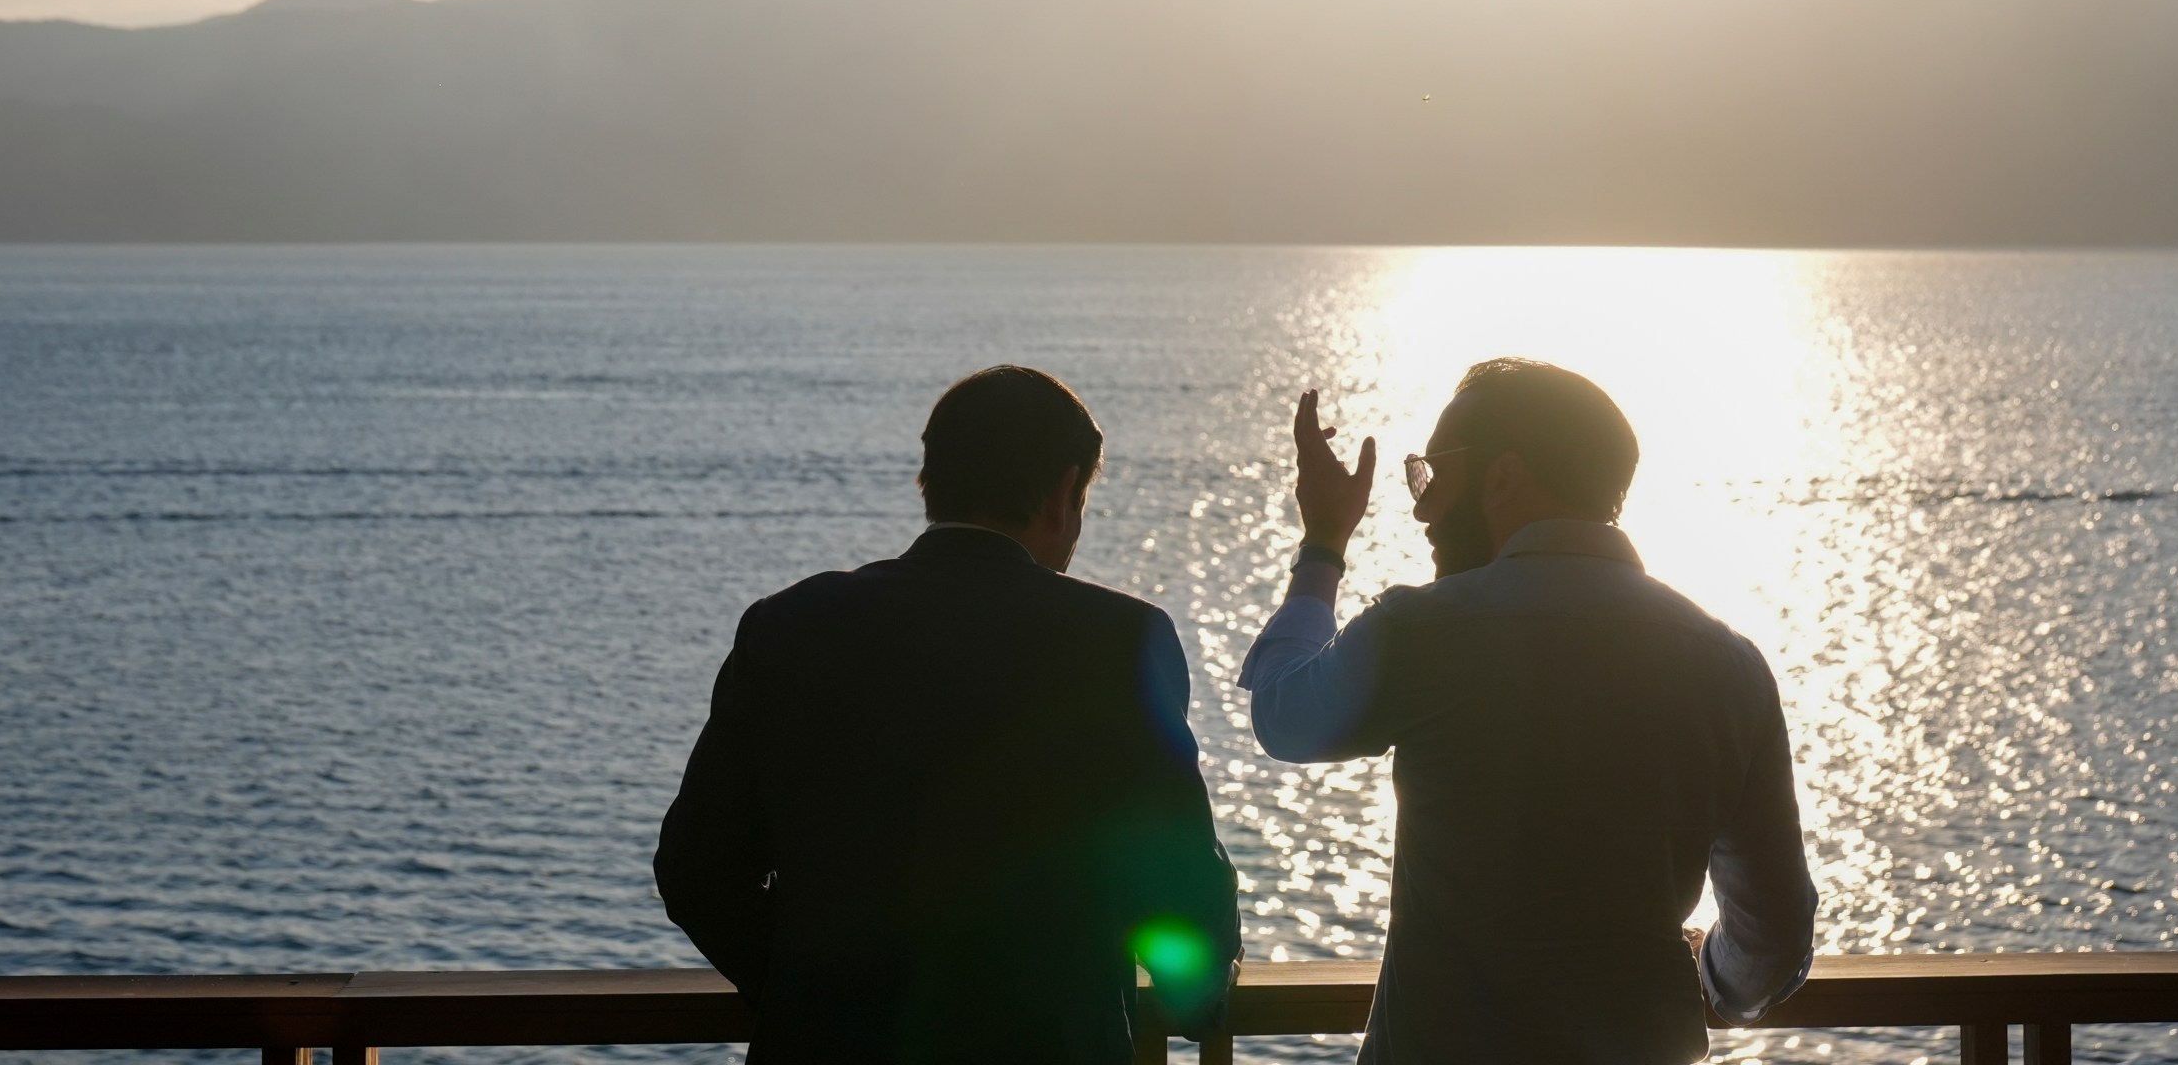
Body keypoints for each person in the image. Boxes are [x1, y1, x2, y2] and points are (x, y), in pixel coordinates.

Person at [1238, 359, 1817, 1065]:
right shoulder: (1729, 665)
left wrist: (1325, 541)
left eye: (1429, 474)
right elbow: (1775, 935)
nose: (1420, 507)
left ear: (1504, 477)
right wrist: (1713, 979)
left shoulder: (1423, 633)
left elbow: (1284, 716)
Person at [656, 365, 1239, 1064]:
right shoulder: (1119, 641)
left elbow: (695, 869)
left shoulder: (788, 625)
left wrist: (806, 991)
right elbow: (1182, 893)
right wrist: (1196, 995)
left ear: (931, 480)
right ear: (1062, 492)